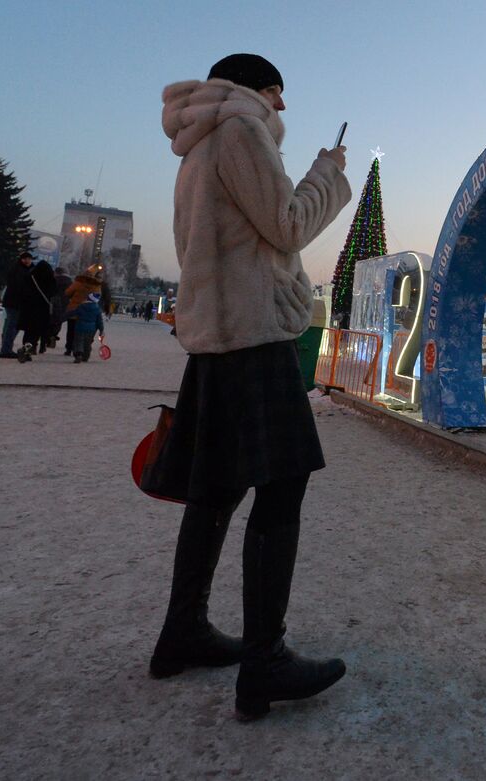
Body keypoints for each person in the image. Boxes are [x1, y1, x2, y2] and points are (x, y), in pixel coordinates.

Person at [147, 53, 351, 721]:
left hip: (215, 336)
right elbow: (288, 226)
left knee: (214, 489)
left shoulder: (198, 143)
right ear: (253, 89)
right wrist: (328, 175)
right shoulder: (241, 130)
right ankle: (264, 659)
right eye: (277, 93)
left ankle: (184, 629)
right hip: (253, 335)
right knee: (283, 483)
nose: (283, 108)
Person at [63, 264, 104, 355]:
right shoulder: (96, 286)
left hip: (74, 310)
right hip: (88, 312)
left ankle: (69, 348)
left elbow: (67, 293)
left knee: (71, 331)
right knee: (85, 332)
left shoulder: (78, 283)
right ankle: (82, 349)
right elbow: (98, 297)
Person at [0, 251, 35, 358]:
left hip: (14, 302)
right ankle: (6, 350)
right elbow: (19, 286)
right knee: (13, 326)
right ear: (21, 259)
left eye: (29, 259)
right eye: (26, 259)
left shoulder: (22, 269)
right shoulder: (18, 270)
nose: (28, 261)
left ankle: (6, 348)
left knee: (12, 325)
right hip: (15, 302)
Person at [19, 260, 57, 357]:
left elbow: (23, 290)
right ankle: (32, 347)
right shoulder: (50, 279)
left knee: (29, 329)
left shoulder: (30, 277)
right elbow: (54, 293)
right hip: (43, 308)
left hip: (29, 307)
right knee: (37, 330)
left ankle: (27, 346)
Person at [64, 291, 105, 363]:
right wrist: (101, 330)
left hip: (80, 326)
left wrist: (65, 315)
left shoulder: (81, 306)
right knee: (87, 343)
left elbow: (74, 312)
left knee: (78, 341)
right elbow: (99, 321)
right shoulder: (97, 309)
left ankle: (78, 354)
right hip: (91, 329)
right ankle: (85, 356)